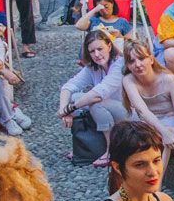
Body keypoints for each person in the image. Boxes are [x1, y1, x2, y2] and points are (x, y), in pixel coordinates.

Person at [57, 30, 137, 166]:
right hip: (111, 109)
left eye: (100, 49)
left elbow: (100, 92)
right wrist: (64, 109)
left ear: (109, 46)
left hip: (131, 113)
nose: (97, 54)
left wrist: (69, 109)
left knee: (95, 103)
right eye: (92, 51)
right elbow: (68, 86)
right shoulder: (93, 68)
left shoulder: (119, 64)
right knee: (76, 97)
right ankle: (83, 147)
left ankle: (110, 150)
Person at [118, 36, 174, 143]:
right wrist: (164, 133)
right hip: (149, 124)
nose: (138, 65)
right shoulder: (128, 80)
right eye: (132, 61)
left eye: (141, 58)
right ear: (127, 66)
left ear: (151, 59)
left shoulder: (169, 79)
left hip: (173, 122)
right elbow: (143, 111)